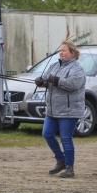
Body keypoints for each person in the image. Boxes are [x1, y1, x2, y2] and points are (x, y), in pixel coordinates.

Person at [34, 40, 86, 178]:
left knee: (65, 138)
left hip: (70, 110)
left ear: (72, 53)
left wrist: (56, 80)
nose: (61, 53)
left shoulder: (77, 69)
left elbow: (73, 84)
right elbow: (47, 80)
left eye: (64, 50)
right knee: (47, 134)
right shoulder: (54, 66)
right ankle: (61, 161)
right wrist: (40, 81)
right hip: (52, 109)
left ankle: (70, 168)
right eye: (60, 51)